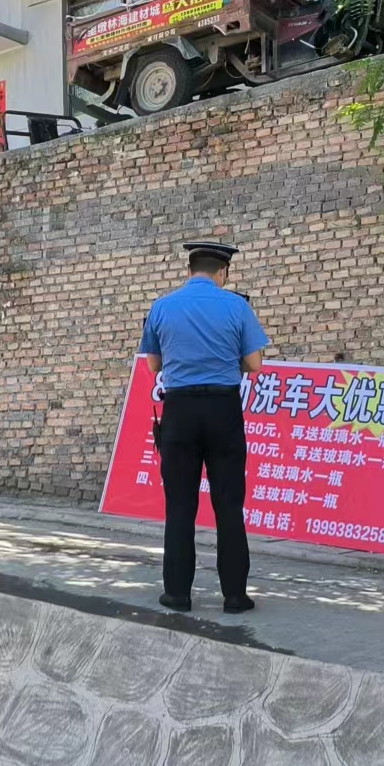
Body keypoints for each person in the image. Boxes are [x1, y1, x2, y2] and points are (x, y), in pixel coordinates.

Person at [139, 240, 270, 614]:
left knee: (180, 505)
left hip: (179, 412)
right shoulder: (237, 306)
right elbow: (255, 364)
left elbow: (153, 365)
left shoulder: (162, 307)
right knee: (229, 505)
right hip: (222, 410)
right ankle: (235, 596)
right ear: (222, 273)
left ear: (189, 271)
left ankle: (177, 594)